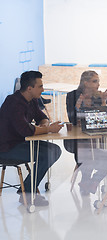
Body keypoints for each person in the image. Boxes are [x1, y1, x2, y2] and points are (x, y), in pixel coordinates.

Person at [0, 71, 63, 206]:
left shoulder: (32, 100)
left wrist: (45, 124)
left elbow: (42, 117)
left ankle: (26, 190)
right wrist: (49, 129)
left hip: (22, 143)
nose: (43, 89)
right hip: (6, 148)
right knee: (49, 154)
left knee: (55, 150)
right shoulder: (13, 103)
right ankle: (27, 193)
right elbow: (25, 130)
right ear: (29, 88)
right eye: (40, 86)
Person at [65, 70, 107, 194]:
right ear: (85, 82)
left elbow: (104, 119)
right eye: (95, 81)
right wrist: (80, 102)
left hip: (96, 138)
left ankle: (88, 182)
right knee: (86, 148)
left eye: (98, 81)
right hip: (80, 139)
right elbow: (73, 119)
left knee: (105, 152)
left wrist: (103, 101)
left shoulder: (98, 96)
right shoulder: (72, 96)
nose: (98, 84)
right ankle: (88, 181)